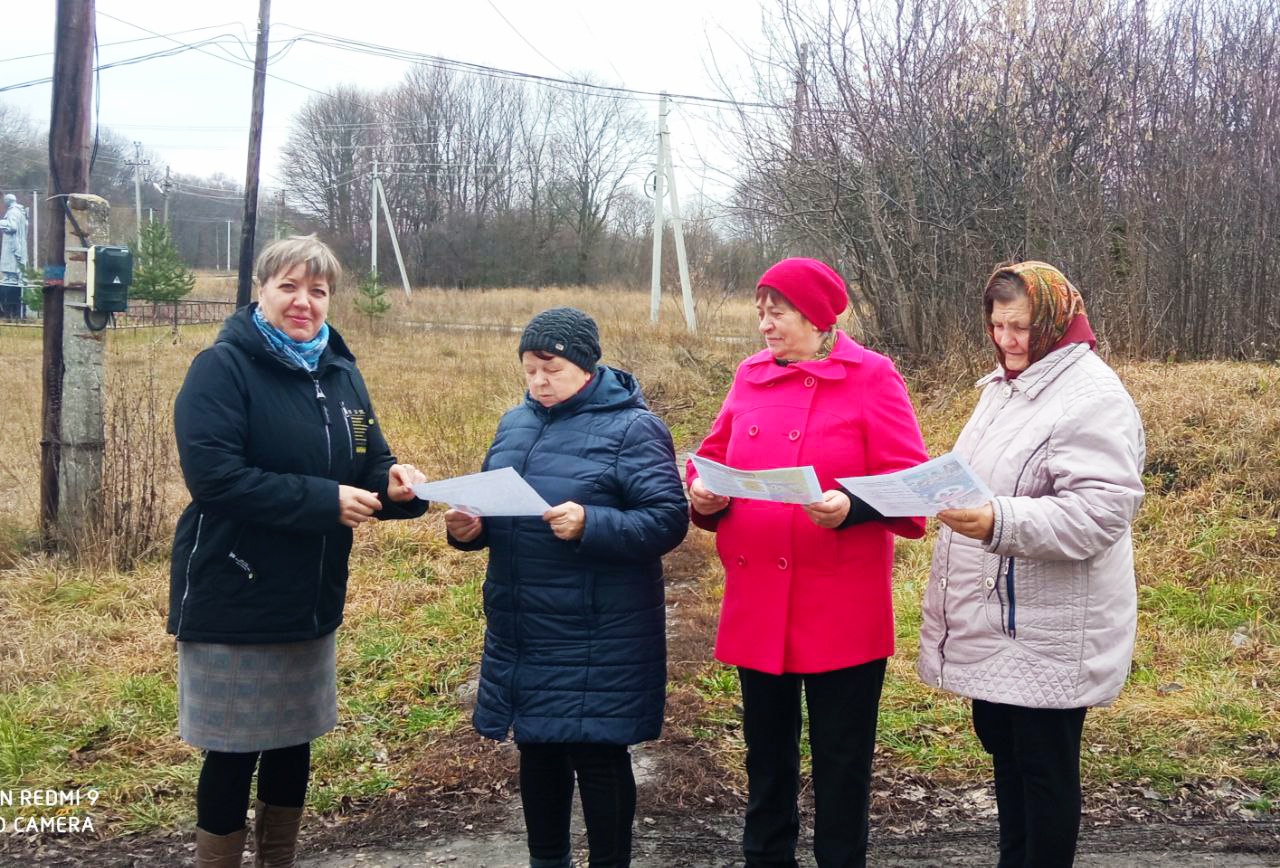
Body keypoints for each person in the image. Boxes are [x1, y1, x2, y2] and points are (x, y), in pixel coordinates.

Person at [168, 234, 428, 867]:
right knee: (232, 750)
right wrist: (322, 502)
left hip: (310, 593)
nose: (303, 302)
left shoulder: (341, 373)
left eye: (317, 290)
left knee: (292, 741)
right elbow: (216, 480)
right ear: (262, 290)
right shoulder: (221, 368)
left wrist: (400, 488)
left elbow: (370, 460)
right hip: (235, 586)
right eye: (288, 287)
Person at [687, 258, 930, 868]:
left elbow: (915, 487)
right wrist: (703, 493)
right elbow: (711, 456)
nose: (766, 325)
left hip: (838, 606)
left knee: (841, 762)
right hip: (758, 602)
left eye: (780, 313)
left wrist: (851, 506)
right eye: (761, 312)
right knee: (766, 757)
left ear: (819, 318)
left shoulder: (873, 377)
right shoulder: (748, 375)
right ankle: (766, 859)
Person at [917, 260, 1145, 868]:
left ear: (1052, 320)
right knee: (1007, 755)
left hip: (1051, 627)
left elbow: (1101, 513)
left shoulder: (1092, 396)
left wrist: (999, 521)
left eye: (1018, 326)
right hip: (1001, 619)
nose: (1006, 340)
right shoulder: (1006, 387)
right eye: (996, 325)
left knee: (1042, 770)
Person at [445, 307, 688, 868]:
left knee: (597, 754)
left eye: (549, 368)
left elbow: (667, 520)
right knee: (538, 748)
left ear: (583, 365)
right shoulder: (515, 424)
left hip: (598, 629)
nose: (538, 382)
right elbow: (494, 504)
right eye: (529, 369)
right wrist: (469, 530)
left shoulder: (634, 427)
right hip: (525, 623)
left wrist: (592, 523)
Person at [0, 193, 29, 286]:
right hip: (18, 241)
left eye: (5, 201)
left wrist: (1, 223)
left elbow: (13, 227)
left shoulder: (13, 211)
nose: (4, 203)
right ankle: (11, 277)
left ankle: (12, 277)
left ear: (8, 201)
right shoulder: (20, 211)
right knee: (12, 259)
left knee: (10, 258)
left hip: (12, 242)